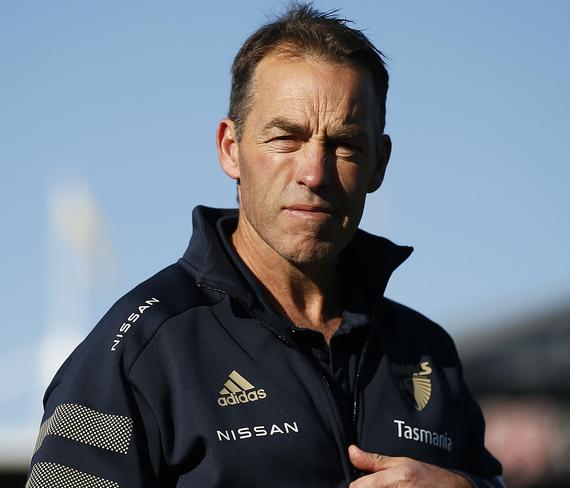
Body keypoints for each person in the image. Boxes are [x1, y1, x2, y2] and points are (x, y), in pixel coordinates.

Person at [27, 4, 504, 487]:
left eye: (345, 145)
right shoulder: (137, 352)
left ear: (379, 163)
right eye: (286, 139)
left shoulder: (426, 351)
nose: (314, 173)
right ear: (230, 149)